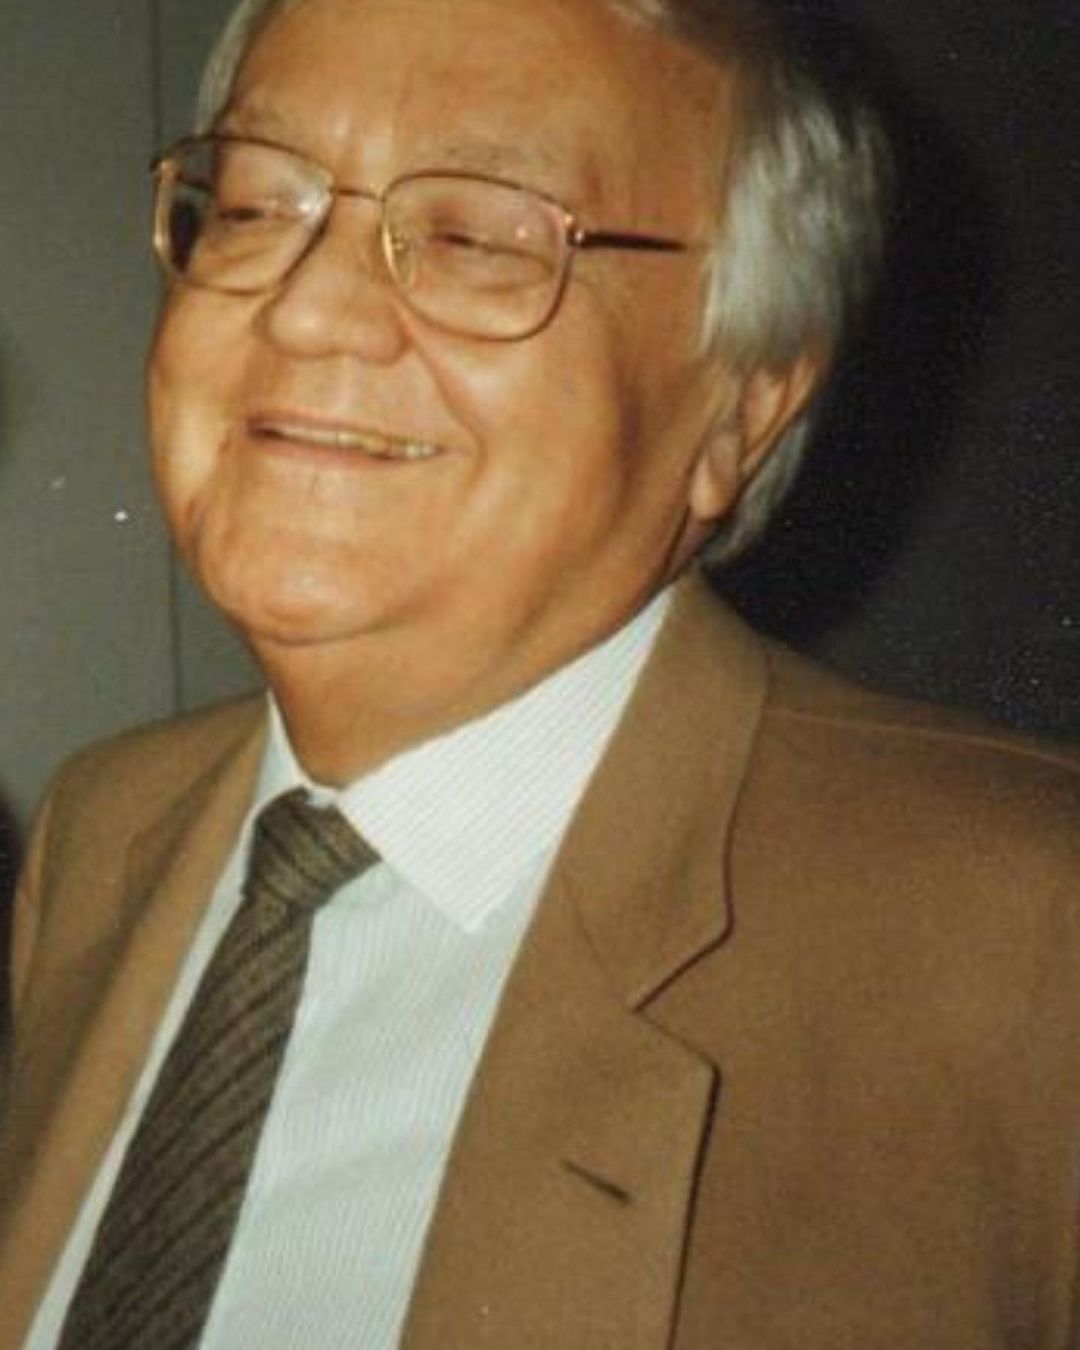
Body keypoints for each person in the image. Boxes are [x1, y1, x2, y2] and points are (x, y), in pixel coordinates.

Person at [2, 0, 1078, 1345]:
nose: (310, 308)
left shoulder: (1026, 937)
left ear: (742, 405)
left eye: (477, 237)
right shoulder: (103, 832)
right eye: (260, 205)